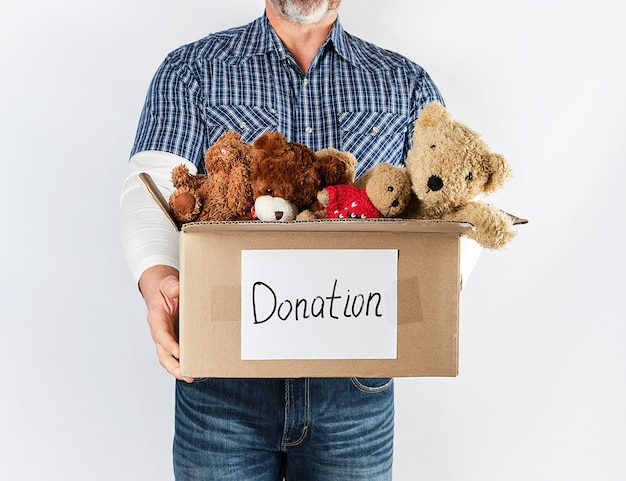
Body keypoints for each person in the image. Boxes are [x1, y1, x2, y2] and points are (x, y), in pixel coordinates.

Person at [120, 1, 479, 479]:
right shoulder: (192, 70)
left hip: (355, 388)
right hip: (221, 382)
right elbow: (151, 188)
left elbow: (454, 198)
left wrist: (442, 278)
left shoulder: (405, 84)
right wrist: (159, 281)